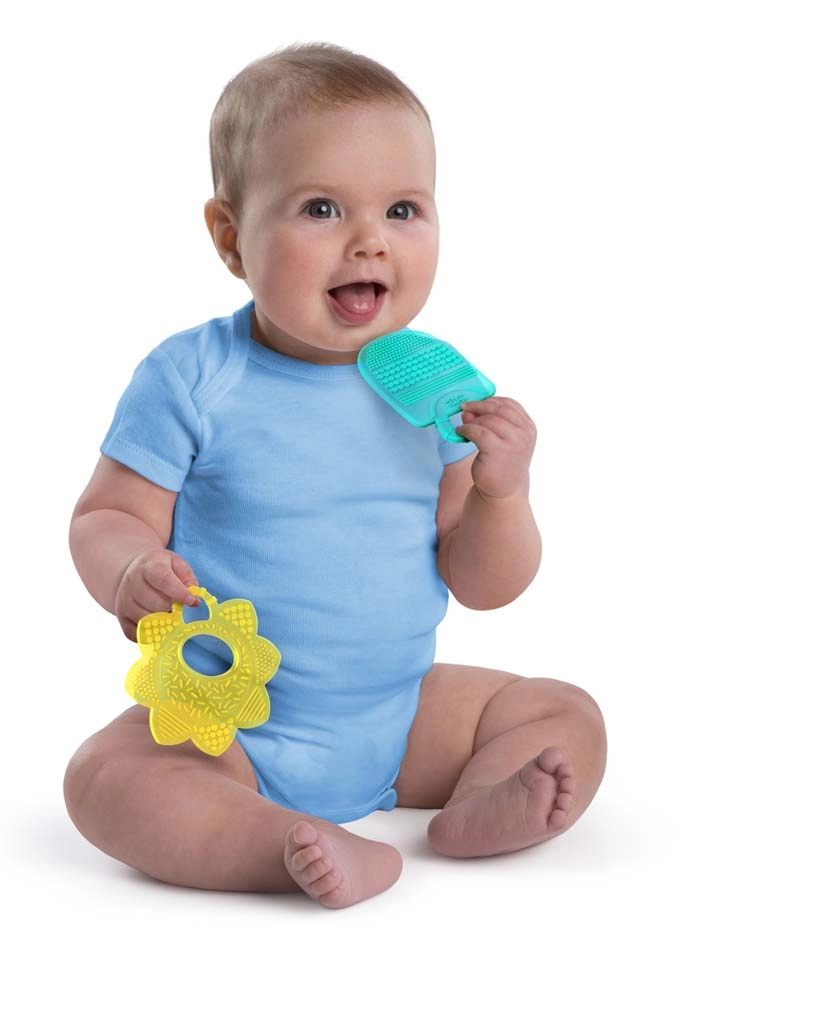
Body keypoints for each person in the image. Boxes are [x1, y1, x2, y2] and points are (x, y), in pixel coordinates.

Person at [64, 41, 607, 909]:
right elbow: (105, 515)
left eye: (402, 209)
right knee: (105, 776)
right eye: (321, 208)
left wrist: (502, 494)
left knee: (561, 711)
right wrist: (130, 568)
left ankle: (480, 802)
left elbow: (484, 584)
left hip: (399, 715)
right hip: (230, 722)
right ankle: (276, 841)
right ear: (231, 237)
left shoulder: (434, 390)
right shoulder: (193, 377)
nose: (369, 241)